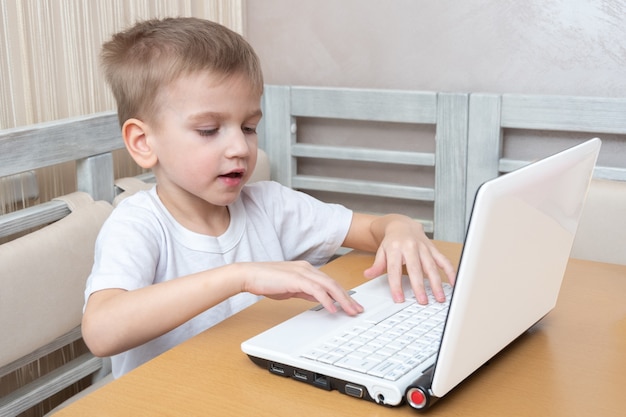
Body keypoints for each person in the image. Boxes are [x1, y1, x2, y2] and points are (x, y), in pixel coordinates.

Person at [81, 16, 456, 378]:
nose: (240, 148)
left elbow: (374, 229)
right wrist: (241, 276)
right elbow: (101, 331)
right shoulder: (138, 224)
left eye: (248, 127)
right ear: (144, 143)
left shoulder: (270, 205)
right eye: (210, 130)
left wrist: (400, 227)